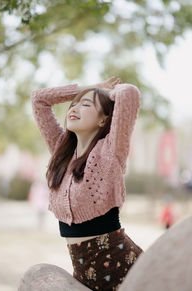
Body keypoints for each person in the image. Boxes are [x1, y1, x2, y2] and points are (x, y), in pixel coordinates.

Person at [31, 76, 143, 290]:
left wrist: (107, 93)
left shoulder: (111, 151)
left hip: (125, 270)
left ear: (103, 119)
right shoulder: (61, 151)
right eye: (74, 104)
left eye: (86, 104)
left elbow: (129, 93)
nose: (75, 107)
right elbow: (39, 99)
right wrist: (90, 89)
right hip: (84, 276)